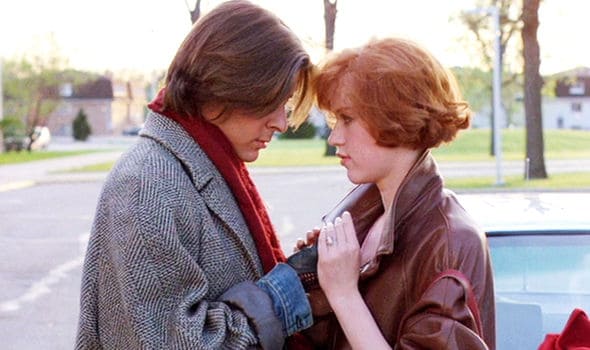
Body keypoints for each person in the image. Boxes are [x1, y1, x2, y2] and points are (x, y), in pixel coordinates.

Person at [75, 1, 317, 349]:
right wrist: (284, 294)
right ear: (223, 86)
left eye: (287, 104)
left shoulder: (207, 164)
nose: (281, 123)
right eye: (270, 101)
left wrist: (308, 280)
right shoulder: (149, 184)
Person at [304, 37, 496, 349]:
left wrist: (343, 292)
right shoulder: (364, 221)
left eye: (348, 119)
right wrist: (317, 279)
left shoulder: (449, 241)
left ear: (396, 115)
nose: (335, 137)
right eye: (335, 120)